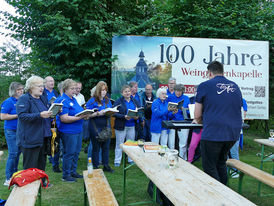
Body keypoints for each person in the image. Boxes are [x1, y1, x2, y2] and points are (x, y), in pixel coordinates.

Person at [193, 61, 242, 185]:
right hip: (232, 134)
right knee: (221, 163)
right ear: (222, 71)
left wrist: (202, 119)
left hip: (214, 133)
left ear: (209, 72)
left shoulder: (205, 85)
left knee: (209, 166)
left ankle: (217, 195)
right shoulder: (235, 86)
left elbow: (197, 115)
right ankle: (224, 192)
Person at [16, 76, 53, 187]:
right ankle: (29, 185)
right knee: (30, 165)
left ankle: (41, 181)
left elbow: (46, 112)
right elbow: (22, 116)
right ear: (31, 87)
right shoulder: (24, 98)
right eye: (39, 86)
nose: (42, 88)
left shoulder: (42, 98)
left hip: (42, 136)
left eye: (42, 86)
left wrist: (53, 111)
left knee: (41, 161)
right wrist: (39, 115)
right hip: (30, 138)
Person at [58, 79, 89, 182]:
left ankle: (73, 172)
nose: (74, 90)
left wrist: (86, 114)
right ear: (65, 89)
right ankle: (66, 175)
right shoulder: (63, 100)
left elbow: (78, 112)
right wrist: (80, 117)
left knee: (76, 152)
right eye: (72, 88)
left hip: (78, 130)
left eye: (75, 88)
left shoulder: (73, 99)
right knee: (69, 153)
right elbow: (64, 118)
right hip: (68, 131)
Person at [86, 81, 113, 173]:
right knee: (96, 147)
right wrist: (98, 113)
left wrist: (110, 112)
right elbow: (87, 115)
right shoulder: (92, 100)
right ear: (98, 90)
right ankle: (96, 166)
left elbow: (110, 109)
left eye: (105, 90)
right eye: (102, 90)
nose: (104, 92)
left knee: (106, 146)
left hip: (105, 124)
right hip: (95, 125)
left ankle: (106, 165)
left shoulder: (107, 100)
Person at [1, 82, 24, 186]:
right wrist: (17, 115)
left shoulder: (22, 101)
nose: (21, 91)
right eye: (19, 89)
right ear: (14, 91)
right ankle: (8, 178)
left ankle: (15, 175)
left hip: (20, 131)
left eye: (22, 89)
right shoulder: (8, 102)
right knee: (13, 153)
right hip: (11, 131)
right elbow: (3, 116)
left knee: (18, 153)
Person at [113, 85, 141, 167]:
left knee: (130, 144)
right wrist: (124, 117)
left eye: (129, 91)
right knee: (119, 144)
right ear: (122, 93)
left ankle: (130, 159)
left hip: (132, 125)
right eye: (125, 91)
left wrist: (137, 116)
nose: (127, 93)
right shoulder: (118, 101)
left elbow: (140, 111)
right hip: (121, 125)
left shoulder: (135, 101)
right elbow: (113, 113)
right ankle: (117, 161)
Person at [167, 84, 190, 160]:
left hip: (183, 122)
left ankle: (183, 159)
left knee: (183, 144)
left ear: (182, 91)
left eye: (180, 91)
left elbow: (190, 111)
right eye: (177, 91)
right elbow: (167, 113)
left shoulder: (186, 98)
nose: (178, 93)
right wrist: (172, 112)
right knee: (171, 144)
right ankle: (171, 159)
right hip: (172, 121)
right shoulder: (170, 98)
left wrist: (183, 109)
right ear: (174, 90)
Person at [229, 98, 248, 178]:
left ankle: (236, 171)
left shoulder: (238, 107)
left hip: (235, 132)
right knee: (226, 153)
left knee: (233, 152)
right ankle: (229, 169)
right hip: (226, 132)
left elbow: (241, 120)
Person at [51, 81, 64, 173]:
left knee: (60, 146)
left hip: (61, 126)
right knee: (55, 146)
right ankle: (55, 165)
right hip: (55, 126)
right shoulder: (59, 100)